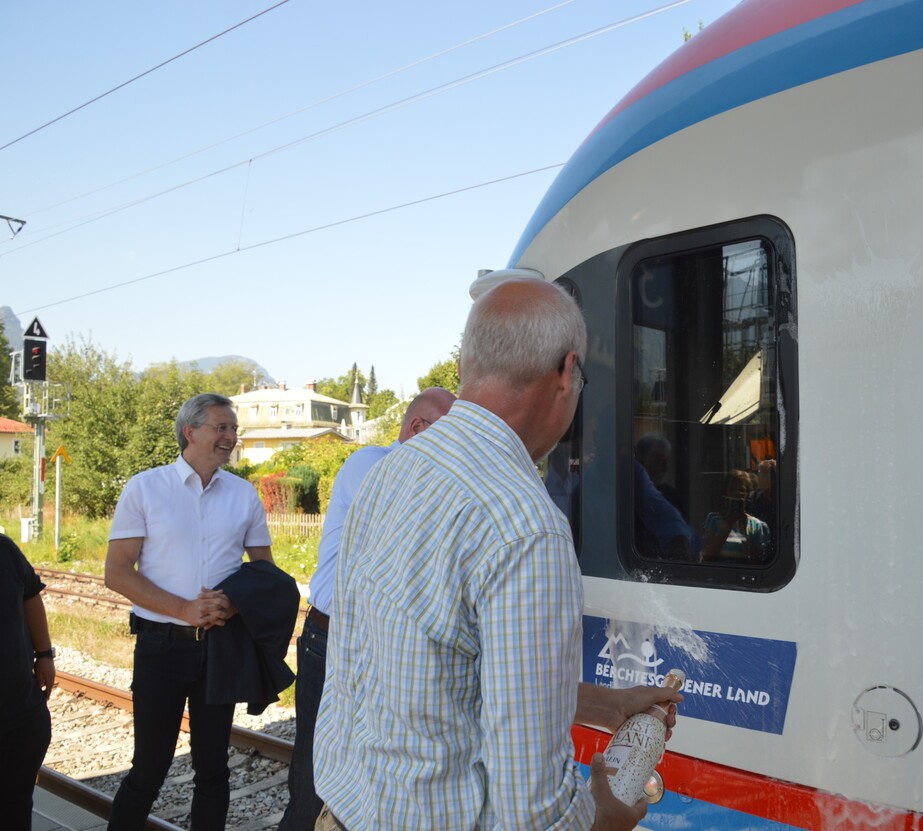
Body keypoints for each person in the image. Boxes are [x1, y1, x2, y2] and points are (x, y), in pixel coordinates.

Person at [314, 278, 681, 831]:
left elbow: (428, 672)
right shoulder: (526, 527)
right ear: (566, 372)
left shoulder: (389, 472)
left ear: (469, 362)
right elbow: (530, 815)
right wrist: (603, 816)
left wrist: (601, 706)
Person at [278, 387, 456, 831]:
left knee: (361, 778)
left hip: (376, 646)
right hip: (332, 639)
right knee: (315, 777)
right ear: (417, 428)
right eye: (452, 439)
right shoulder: (371, 464)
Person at [104, 393, 275, 831]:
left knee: (213, 769)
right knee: (149, 769)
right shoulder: (145, 487)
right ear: (190, 431)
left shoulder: (243, 495)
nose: (231, 438)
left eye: (233, 430)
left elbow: (265, 574)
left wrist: (235, 601)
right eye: (222, 428)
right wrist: (183, 608)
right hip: (161, 647)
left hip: (220, 647)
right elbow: (117, 574)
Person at [1, 533, 55, 831]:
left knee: (16, 806)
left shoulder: (3, 549)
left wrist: (44, 653)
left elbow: (31, 595)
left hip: (18, 711)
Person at [700, 470, 770, 562]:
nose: (736, 493)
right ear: (726, 493)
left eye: (741, 490)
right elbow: (706, 556)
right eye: (732, 489)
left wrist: (745, 528)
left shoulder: (758, 526)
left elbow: (759, 560)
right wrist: (728, 524)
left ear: (748, 494)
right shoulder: (713, 520)